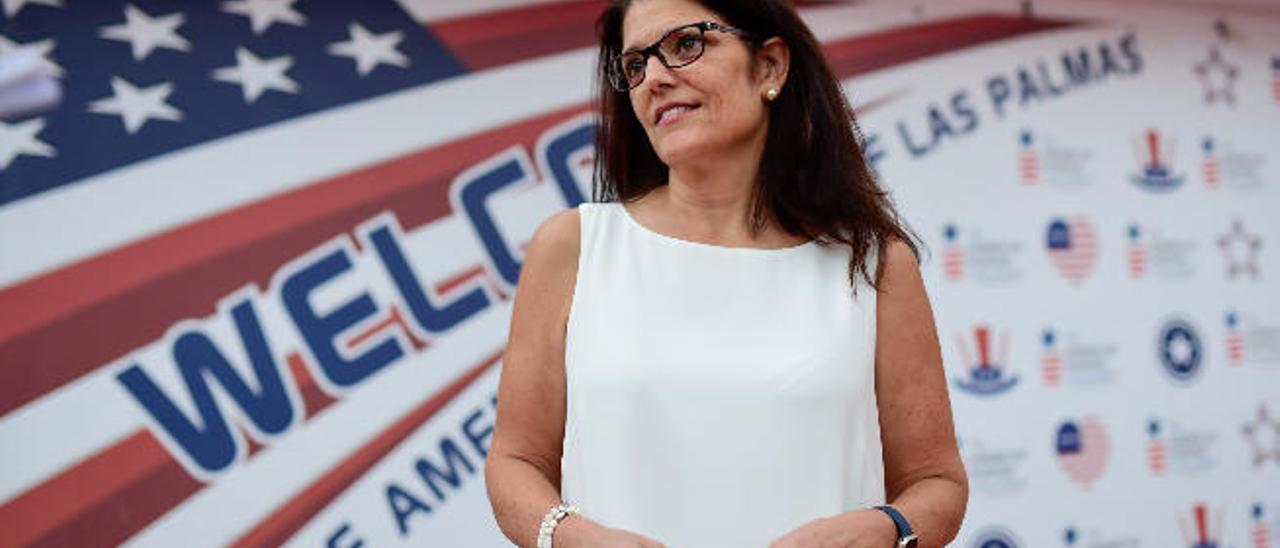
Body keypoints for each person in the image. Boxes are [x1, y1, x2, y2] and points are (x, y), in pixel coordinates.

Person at [485, 0, 967, 546]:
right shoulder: (573, 246)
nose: (655, 79)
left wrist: (887, 528)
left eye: (686, 45)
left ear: (770, 67)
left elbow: (937, 484)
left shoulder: (875, 262)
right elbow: (515, 461)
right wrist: (569, 537)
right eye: (635, 65)